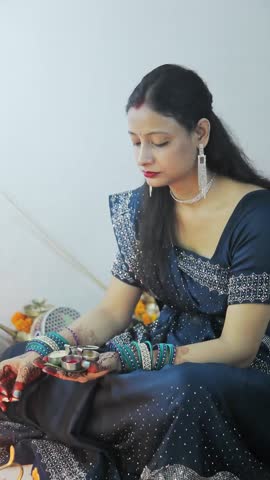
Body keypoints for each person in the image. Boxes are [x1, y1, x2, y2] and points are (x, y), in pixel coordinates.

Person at [1, 64, 270, 480]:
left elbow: (240, 347)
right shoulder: (141, 207)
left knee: (180, 393)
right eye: (135, 142)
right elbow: (112, 312)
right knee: (20, 361)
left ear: (200, 133)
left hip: (227, 374)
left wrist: (129, 358)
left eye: (159, 142)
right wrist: (47, 347)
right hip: (159, 354)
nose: (143, 157)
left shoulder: (255, 216)